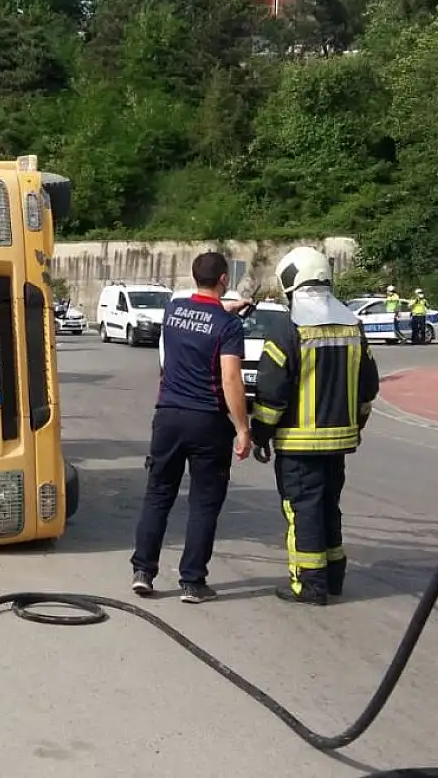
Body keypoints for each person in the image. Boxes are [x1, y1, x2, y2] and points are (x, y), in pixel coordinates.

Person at [251, 247, 380, 606]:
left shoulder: (287, 330)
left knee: (302, 510)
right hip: (339, 442)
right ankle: (334, 578)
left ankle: (310, 585)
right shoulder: (353, 326)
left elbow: (271, 394)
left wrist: (261, 434)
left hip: (297, 444)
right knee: (327, 507)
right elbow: (368, 386)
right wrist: (357, 424)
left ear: (290, 282)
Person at [130, 251, 254, 604]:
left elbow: (201, 314)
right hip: (207, 421)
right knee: (203, 502)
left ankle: (143, 571)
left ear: (194, 276)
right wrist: (242, 428)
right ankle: (192, 581)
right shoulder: (229, 327)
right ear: (224, 280)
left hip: (168, 416)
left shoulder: (173, 311)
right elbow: (230, 378)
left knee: (158, 494)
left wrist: (229, 307)